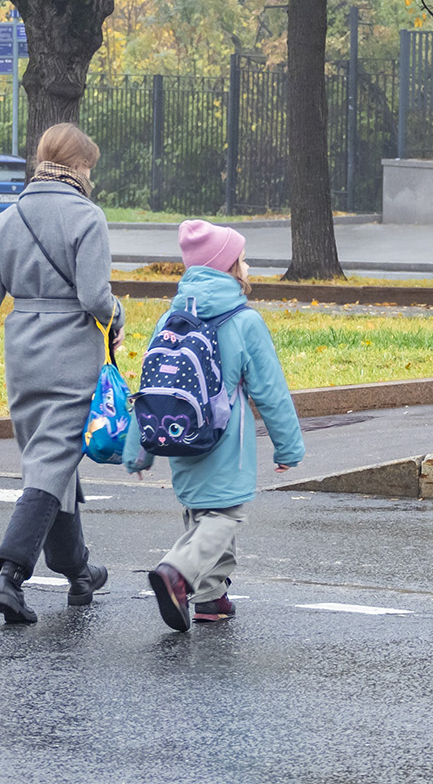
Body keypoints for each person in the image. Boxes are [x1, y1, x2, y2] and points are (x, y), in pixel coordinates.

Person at [0, 122, 124, 624]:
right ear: (79, 167)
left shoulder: (7, 220)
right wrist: (118, 316)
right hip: (70, 354)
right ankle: (11, 575)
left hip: (22, 354)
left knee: (51, 459)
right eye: (90, 168)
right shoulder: (88, 217)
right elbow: (93, 297)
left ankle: (79, 570)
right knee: (51, 463)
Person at [124, 220, 304, 632]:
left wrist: (139, 449)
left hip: (178, 432)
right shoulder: (244, 321)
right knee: (225, 514)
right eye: (241, 257)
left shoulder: (172, 317)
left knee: (202, 511)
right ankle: (178, 572)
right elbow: (271, 391)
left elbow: (151, 385)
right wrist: (288, 448)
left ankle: (209, 598)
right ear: (229, 267)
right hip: (227, 441)